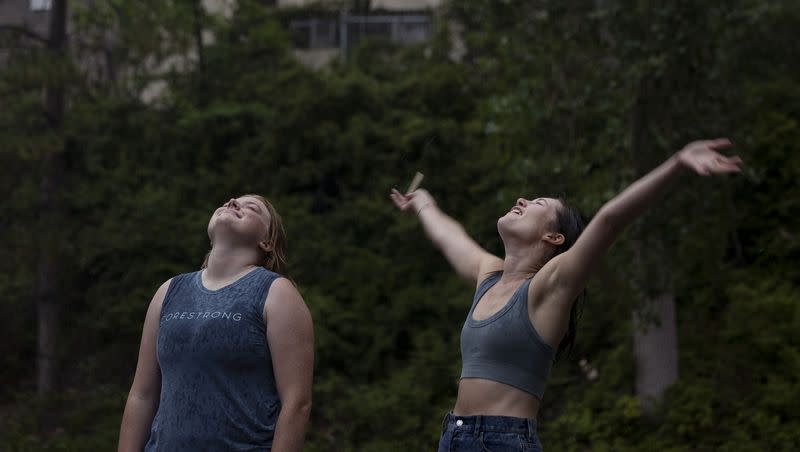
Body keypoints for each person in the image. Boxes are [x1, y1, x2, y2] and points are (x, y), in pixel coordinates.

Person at [390, 139, 742, 451]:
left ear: (553, 238)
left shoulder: (549, 288)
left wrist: (678, 162)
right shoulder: (489, 276)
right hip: (454, 435)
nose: (521, 200)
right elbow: (449, 236)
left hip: (501, 440)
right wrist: (423, 202)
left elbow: (608, 221)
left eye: (537, 203)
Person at [118, 195, 314, 452]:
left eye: (251, 207)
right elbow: (141, 395)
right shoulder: (169, 291)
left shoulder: (277, 293)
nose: (233, 202)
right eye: (231, 201)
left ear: (266, 242)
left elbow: (296, 403)